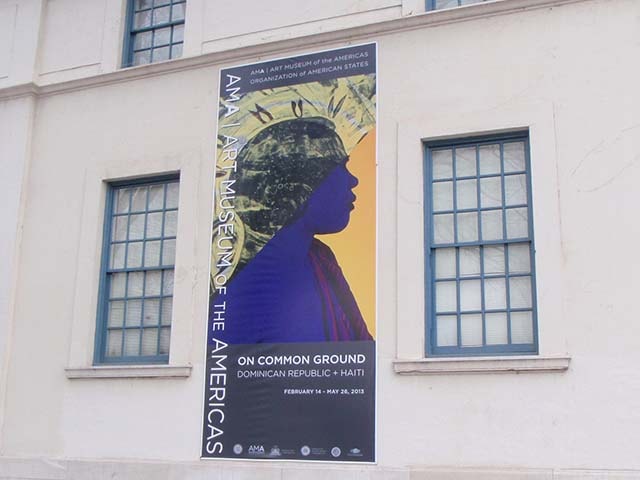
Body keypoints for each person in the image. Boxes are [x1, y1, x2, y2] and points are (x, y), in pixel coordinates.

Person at [211, 117, 372, 344]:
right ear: (300, 182)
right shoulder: (245, 281)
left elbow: (363, 348)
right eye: (340, 166)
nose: (353, 180)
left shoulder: (321, 257)